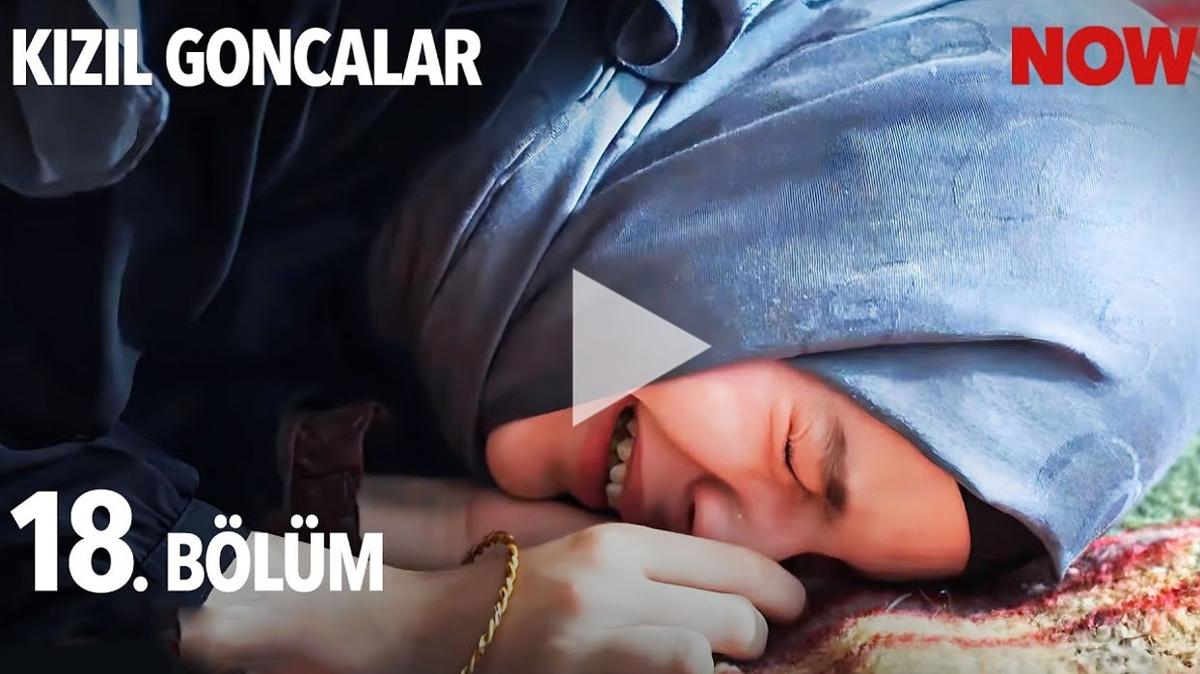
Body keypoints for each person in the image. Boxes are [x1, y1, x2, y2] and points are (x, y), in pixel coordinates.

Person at [4, 2, 1198, 674]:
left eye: (814, 559)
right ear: (775, 205)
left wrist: (393, 519)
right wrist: (362, 617)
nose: (725, 536)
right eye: (797, 454)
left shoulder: (508, 318)